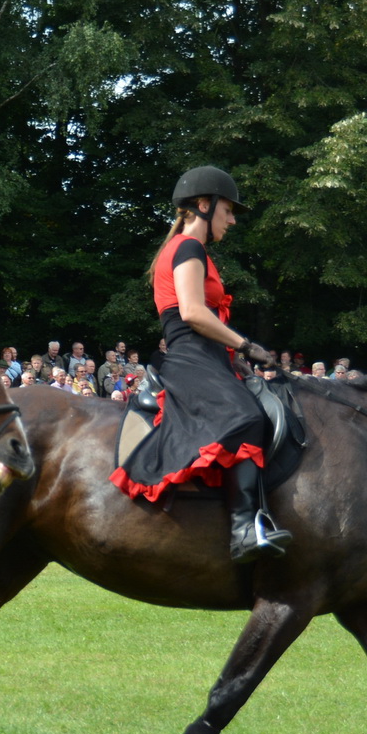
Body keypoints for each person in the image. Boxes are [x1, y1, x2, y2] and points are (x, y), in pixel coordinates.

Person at [111, 165, 291, 562]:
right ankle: (244, 529)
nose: (232, 220)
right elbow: (192, 312)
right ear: (204, 205)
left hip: (208, 355)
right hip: (191, 355)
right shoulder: (188, 248)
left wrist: (237, 359)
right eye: (228, 210)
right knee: (246, 418)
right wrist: (246, 346)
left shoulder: (191, 250)